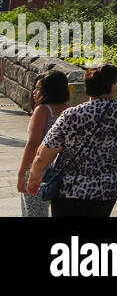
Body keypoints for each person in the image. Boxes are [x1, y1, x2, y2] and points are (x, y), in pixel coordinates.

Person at [25, 64, 117, 217]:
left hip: (68, 190)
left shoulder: (70, 115)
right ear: (112, 87)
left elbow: (43, 155)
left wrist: (34, 179)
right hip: (105, 189)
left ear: (87, 88)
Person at [17, 71, 70, 217]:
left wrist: (22, 174)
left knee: (34, 213)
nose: (34, 92)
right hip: (61, 171)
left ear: (49, 90)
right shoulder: (69, 110)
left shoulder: (43, 110)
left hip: (39, 169)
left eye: (38, 88)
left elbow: (33, 145)